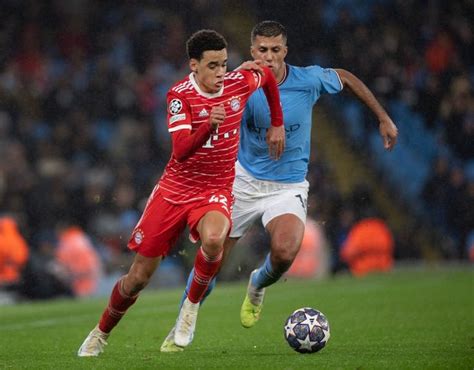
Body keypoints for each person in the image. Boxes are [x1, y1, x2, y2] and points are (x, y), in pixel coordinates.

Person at [160, 20, 398, 352]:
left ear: (285, 51)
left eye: (275, 50)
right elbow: (198, 112)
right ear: (252, 50)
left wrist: (383, 118)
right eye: (262, 50)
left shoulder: (308, 80)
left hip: (286, 188)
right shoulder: (238, 83)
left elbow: (345, 77)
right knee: (210, 261)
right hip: (242, 183)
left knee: (285, 252)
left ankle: (257, 284)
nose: (269, 57)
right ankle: (183, 320)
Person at [77, 29, 284, 357]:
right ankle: (101, 332)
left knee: (215, 239)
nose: (220, 73)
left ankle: (189, 310)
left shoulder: (239, 83)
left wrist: (277, 122)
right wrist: (208, 126)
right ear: (194, 65)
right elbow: (182, 150)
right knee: (137, 278)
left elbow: (268, 78)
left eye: (224, 64)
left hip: (213, 189)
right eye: (213, 66)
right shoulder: (179, 95)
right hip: (174, 191)